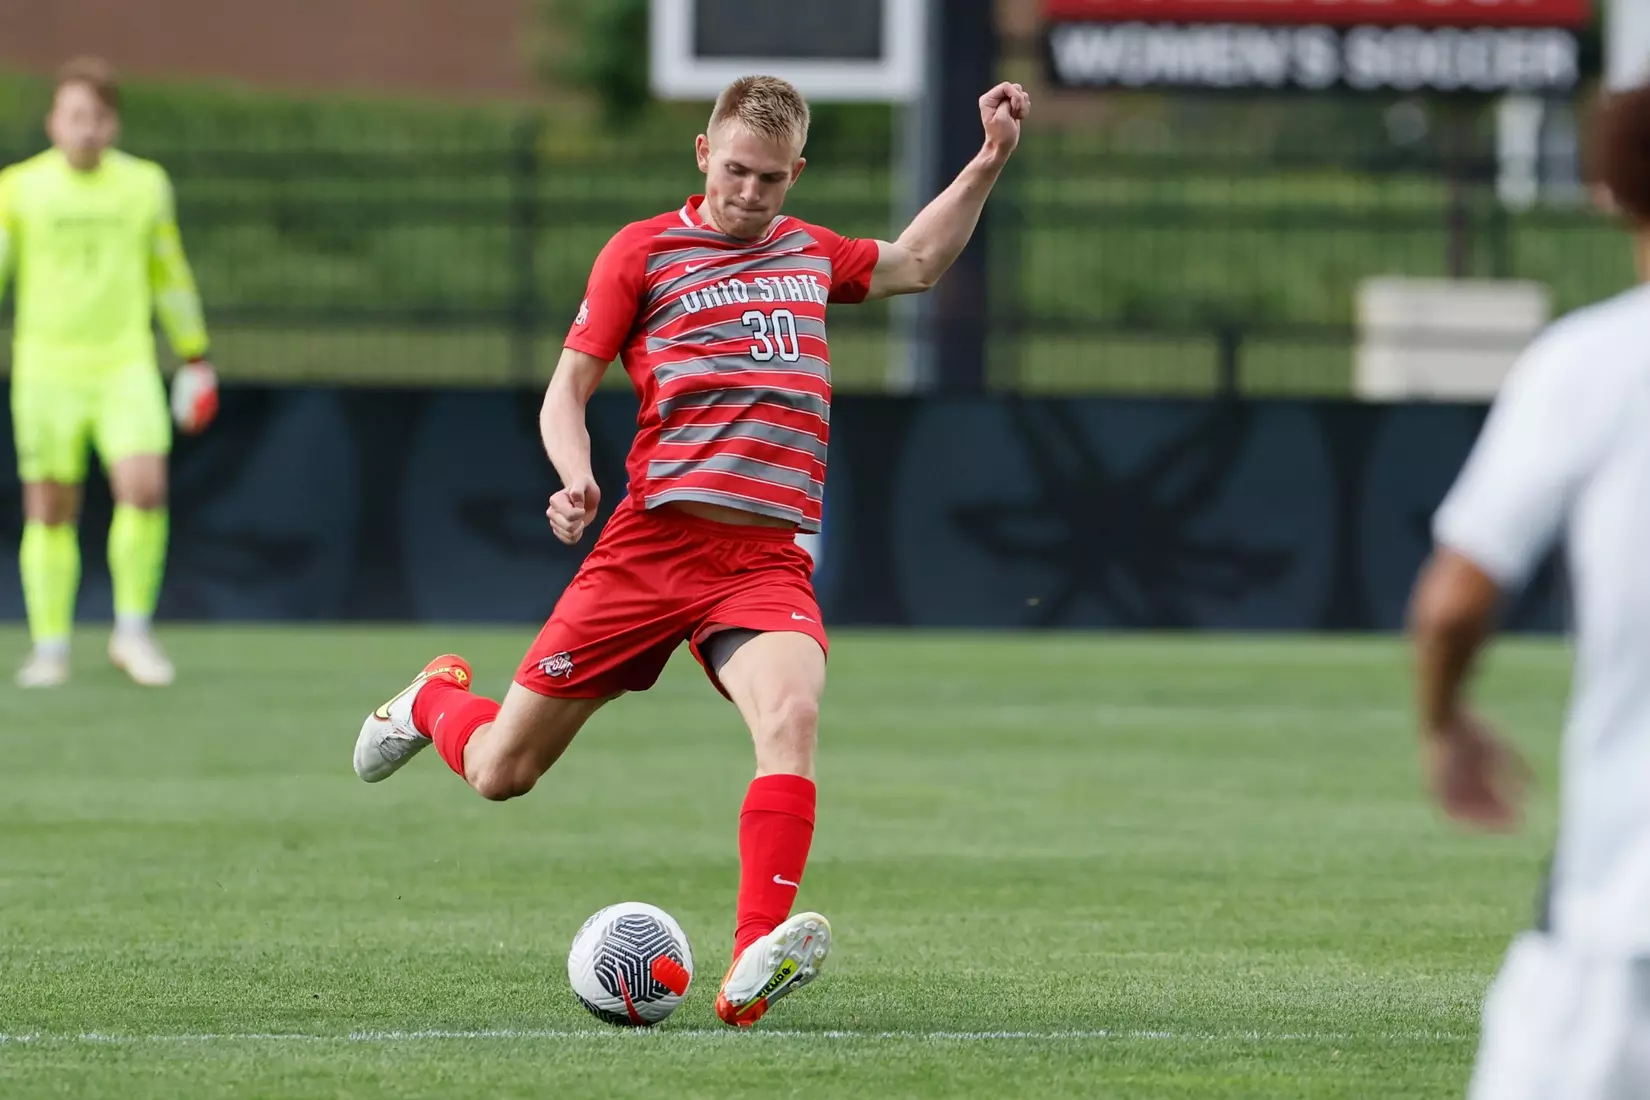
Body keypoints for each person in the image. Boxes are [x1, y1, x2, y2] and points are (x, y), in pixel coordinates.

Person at [354, 74, 1030, 1026]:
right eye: (737, 172)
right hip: (647, 550)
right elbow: (567, 390)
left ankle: (754, 957)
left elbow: (916, 260)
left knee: (791, 716)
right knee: (504, 771)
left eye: (772, 179)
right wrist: (574, 474)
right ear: (705, 153)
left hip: (762, 564)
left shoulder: (808, 252)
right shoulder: (642, 252)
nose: (750, 195)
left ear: (798, 173)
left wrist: (990, 158)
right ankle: (431, 701)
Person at [1408, 79, 1650, 1098]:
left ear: (1607, 191)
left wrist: (1446, 720)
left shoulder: (1593, 361)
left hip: (1623, 915)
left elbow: (1457, 596)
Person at [0, 57, 217, 688]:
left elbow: (168, 271)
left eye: (96, 117)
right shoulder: (19, 187)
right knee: (49, 509)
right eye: (73, 116)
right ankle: (50, 647)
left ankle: (132, 632)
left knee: (145, 488)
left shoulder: (144, 185)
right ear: (52, 123)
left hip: (125, 364)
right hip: (46, 368)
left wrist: (195, 354)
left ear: (112, 124)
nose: (85, 129)